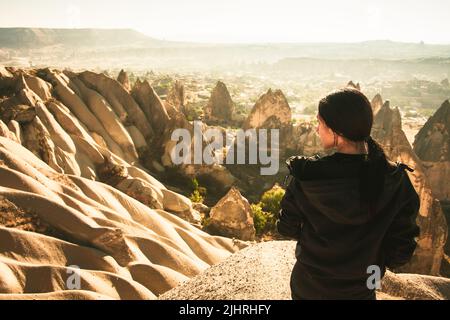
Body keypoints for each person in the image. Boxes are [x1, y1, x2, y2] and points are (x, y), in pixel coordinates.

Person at [277, 88, 420, 300]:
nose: (317, 130)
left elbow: (286, 228)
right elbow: (401, 251)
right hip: (361, 290)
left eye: (320, 123)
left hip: (309, 287)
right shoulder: (394, 180)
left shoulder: (308, 176)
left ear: (336, 132)